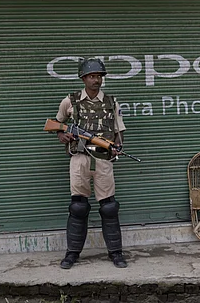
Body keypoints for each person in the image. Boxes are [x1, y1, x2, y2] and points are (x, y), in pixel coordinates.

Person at [55, 58, 128, 269]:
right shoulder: (70, 101)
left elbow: (118, 131)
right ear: (84, 78)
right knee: (78, 206)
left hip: (103, 159)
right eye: (92, 76)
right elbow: (58, 125)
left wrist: (117, 147)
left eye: (99, 76)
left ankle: (116, 253)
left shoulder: (112, 102)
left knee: (109, 207)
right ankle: (72, 254)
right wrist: (62, 135)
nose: (96, 80)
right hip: (79, 158)